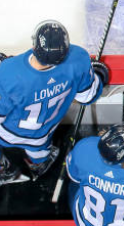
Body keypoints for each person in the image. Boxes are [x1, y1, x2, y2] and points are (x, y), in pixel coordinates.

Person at [0, 20, 109, 185]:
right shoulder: (78, 59)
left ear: (35, 45)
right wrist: (99, 75)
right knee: (40, 152)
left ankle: (3, 169)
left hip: (6, 131)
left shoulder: (9, 72)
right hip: (41, 133)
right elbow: (87, 97)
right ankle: (38, 165)